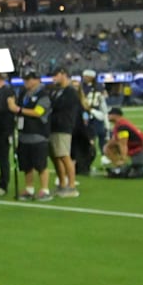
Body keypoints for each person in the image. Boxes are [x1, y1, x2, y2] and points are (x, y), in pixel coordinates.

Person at [8, 72, 53, 200]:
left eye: (29, 79)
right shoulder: (23, 94)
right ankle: (29, 188)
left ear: (37, 80)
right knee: (26, 164)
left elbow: (38, 112)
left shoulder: (43, 95)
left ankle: (44, 189)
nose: (26, 81)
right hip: (24, 133)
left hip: (38, 133)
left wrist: (18, 109)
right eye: (25, 79)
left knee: (41, 164)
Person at [47, 69, 82, 197]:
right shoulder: (56, 90)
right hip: (53, 126)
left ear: (63, 74)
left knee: (64, 156)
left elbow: (61, 108)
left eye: (56, 75)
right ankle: (62, 183)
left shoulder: (71, 91)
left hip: (63, 126)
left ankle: (71, 186)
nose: (54, 78)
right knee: (56, 157)